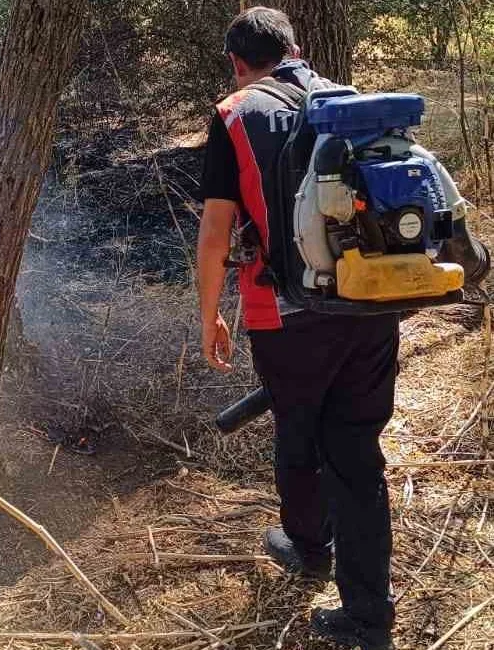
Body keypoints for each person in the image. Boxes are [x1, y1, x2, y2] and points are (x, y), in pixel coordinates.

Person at [197, 7, 398, 650]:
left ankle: (310, 549)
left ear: (237, 61)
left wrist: (210, 317)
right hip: (370, 304)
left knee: (299, 436)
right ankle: (369, 615)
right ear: (296, 48)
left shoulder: (235, 114)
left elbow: (214, 234)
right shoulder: (350, 103)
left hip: (287, 315)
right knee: (358, 456)